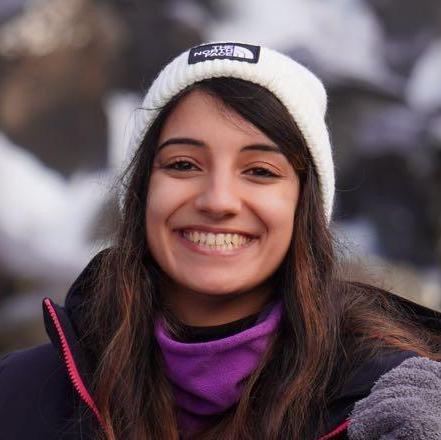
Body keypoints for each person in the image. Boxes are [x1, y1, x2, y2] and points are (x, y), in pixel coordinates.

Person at [1, 42, 441, 440]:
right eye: (183, 164)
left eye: (260, 171)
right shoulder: (18, 395)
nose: (217, 201)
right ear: (141, 193)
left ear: (304, 206)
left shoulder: (392, 406)